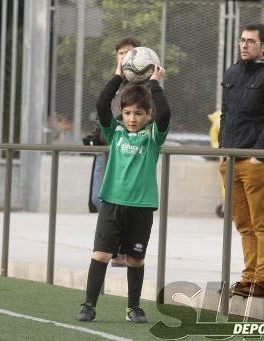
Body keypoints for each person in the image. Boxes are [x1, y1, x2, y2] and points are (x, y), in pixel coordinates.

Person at [76, 61, 170, 323]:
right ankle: (89, 305)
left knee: (135, 259)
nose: (132, 119)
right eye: (127, 113)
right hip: (112, 204)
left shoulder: (153, 136)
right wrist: (117, 76)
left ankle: (133, 308)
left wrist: (154, 84)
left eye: (138, 113)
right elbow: (101, 105)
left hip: (141, 206)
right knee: (101, 254)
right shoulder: (114, 132)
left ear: (147, 115)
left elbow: (165, 115)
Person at [218, 23, 264, 298]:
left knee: (261, 223)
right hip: (231, 159)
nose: (244, 45)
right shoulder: (232, 72)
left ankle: (263, 280)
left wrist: (260, 155)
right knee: (243, 224)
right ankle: (248, 276)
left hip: (255, 161)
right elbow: (225, 113)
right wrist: (224, 148)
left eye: (251, 41)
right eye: (242, 40)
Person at [86, 37, 142, 267]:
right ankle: (114, 246)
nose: (123, 57)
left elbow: (131, 119)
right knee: (97, 198)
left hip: (123, 151)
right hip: (104, 149)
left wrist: (108, 133)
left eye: (128, 53)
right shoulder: (114, 84)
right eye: (120, 53)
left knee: (119, 200)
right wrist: (95, 135)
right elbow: (102, 111)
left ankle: (118, 250)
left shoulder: (140, 87)